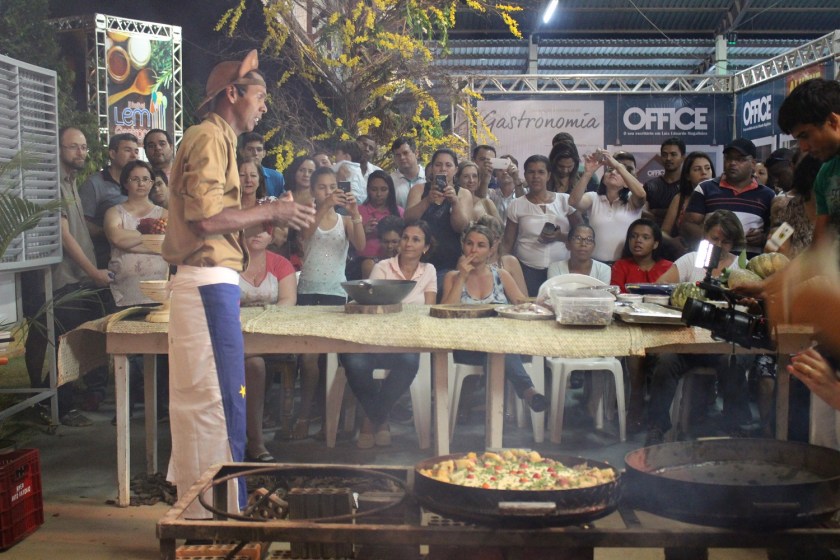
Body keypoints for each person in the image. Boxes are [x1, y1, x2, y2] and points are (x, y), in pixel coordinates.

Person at [162, 49, 315, 518]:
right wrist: (273, 210)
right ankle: (220, 513)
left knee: (209, 401)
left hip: (209, 283)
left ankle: (204, 511)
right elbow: (205, 219)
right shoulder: (210, 137)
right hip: (208, 283)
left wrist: (263, 217)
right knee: (221, 403)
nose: (264, 106)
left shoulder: (217, 138)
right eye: (260, 95)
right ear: (233, 94)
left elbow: (212, 219)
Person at [23, 127, 112, 428]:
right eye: (73, 147)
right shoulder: (51, 183)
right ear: (58, 148)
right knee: (53, 339)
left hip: (75, 278)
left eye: (84, 147)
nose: (81, 153)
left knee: (69, 339)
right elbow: (62, 235)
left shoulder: (72, 182)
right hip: (55, 278)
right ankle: (50, 402)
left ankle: (51, 400)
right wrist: (93, 272)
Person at [647, 210, 752, 444]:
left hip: (724, 341)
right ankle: (657, 425)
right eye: (714, 238)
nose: (719, 245)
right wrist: (679, 300)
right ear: (705, 236)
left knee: (733, 360)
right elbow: (659, 287)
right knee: (665, 361)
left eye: (726, 240)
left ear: (733, 242)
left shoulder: (742, 267)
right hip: (688, 340)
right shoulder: (690, 260)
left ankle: (734, 423)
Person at [341, 220, 437, 448]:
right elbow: (371, 305)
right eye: (405, 237)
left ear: (425, 247)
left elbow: (427, 310)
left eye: (416, 239)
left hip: (406, 341)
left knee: (408, 362)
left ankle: (370, 419)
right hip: (373, 339)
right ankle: (381, 420)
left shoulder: (429, 271)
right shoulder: (383, 267)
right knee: (352, 362)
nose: (408, 243)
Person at [441, 223, 547, 413]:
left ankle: (496, 410)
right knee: (498, 349)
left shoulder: (501, 275)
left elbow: (522, 305)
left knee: (498, 349)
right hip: (465, 345)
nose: (474, 250)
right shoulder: (452, 276)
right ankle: (526, 391)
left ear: (491, 250)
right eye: (469, 244)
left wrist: (542, 303)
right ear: (463, 246)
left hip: (502, 341)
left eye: (481, 245)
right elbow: (445, 313)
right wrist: (462, 277)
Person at [294, 166, 366, 439]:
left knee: (329, 360)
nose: (329, 191)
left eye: (332, 186)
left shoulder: (345, 220)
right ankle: (303, 415)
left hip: (336, 293)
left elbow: (361, 246)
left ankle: (328, 420)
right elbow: (305, 236)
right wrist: (324, 204)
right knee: (308, 358)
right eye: (322, 187)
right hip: (308, 291)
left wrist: (356, 214)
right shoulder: (308, 214)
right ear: (313, 190)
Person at [238, 230, 297, 461]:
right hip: (236, 333)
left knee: (248, 358)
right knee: (253, 365)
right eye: (251, 228)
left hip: (272, 334)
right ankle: (249, 440)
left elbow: (288, 301)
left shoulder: (280, 263)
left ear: (272, 236)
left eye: (264, 230)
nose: (257, 234)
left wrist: (263, 323)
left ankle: (254, 441)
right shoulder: (230, 263)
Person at [681, 138, 775, 257]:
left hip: (750, 268)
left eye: (740, 159)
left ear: (752, 163)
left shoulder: (768, 195)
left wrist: (763, 238)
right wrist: (714, 241)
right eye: (729, 158)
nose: (732, 163)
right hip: (710, 262)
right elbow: (688, 225)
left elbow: (777, 232)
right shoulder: (705, 189)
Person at [501, 154, 579, 296]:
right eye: (531, 172)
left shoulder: (564, 200)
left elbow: (581, 234)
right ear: (525, 175)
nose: (536, 176)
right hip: (527, 270)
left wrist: (560, 236)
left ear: (549, 175)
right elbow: (507, 243)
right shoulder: (517, 204)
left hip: (561, 269)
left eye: (541, 172)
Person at [404, 148, 473, 294]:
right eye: (438, 165)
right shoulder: (419, 189)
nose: (443, 169)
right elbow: (408, 219)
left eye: (448, 165)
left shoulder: (463, 193)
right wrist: (427, 200)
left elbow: (462, 227)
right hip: (419, 261)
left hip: (450, 262)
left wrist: (454, 202)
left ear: (455, 170)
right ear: (432, 168)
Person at [103, 160, 169, 308]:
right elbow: (117, 238)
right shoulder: (114, 212)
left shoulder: (164, 214)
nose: (141, 183)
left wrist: (129, 242)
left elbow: (167, 246)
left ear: (152, 183)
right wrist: (152, 235)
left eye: (146, 179)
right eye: (135, 179)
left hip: (159, 293)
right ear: (125, 183)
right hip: (124, 294)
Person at [570, 149, 647, 264]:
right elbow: (573, 201)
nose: (613, 172)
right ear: (603, 179)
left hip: (624, 264)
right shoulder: (593, 198)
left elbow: (641, 195)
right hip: (595, 263)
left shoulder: (632, 199)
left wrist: (617, 165)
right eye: (610, 170)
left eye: (619, 172)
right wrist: (588, 173)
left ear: (626, 182)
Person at [79, 132, 139, 269]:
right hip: (105, 262)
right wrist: (110, 232)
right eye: (128, 150)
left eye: (136, 151)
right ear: (112, 154)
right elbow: (82, 223)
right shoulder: (94, 184)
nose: (134, 155)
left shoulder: (138, 184)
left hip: (137, 261)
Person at [350, 170, 403, 279]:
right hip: (362, 264)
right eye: (374, 189)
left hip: (394, 263)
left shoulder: (399, 212)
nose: (379, 194)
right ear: (368, 190)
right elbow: (347, 244)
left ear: (390, 190)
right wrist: (362, 231)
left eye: (383, 189)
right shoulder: (357, 211)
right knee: (368, 265)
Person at [661, 152, 716, 250]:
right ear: (687, 176)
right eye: (697, 169)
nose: (704, 172)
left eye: (708, 168)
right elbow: (663, 232)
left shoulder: (719, 196)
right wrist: (672, 242)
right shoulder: (680, 199)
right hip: (685, 253)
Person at [610, 218, 673, 292]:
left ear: (655, 244)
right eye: (633, 236)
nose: (638, 240)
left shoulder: (669, 267)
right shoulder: (620, 266)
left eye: (645, 237)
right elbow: (616, 294)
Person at [546, 223, 612, 284]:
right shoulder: (555, 268)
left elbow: (603, 296)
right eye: (578, 238)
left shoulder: (603, 270)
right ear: (568, 244)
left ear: (594, 246)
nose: (583, 244)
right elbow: (554, 294)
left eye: (589, 240)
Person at [643, 137, 686, 228]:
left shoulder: (688, 186)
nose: (668, 158)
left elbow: (687, 216)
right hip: (653, 237)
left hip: (681, 239)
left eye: (673, 154)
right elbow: (643, 214)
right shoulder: (650, 186)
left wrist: (655, 212)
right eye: (664, 154)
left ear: (683, 157)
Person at [239, 132, 286, 197]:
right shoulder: (233, 175)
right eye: (250, 149)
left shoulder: (276, 178)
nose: (255, 153)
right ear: (242, 152)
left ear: (264, 153)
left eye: (259, 150)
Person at [359, 215, 404, 279]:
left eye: (394, 242)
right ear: (380, 241)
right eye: (386, 242)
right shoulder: (370, 265)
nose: (389, 246)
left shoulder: (408, 263)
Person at [389, 136, 425, 208]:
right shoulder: (390, 181)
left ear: (416, 153)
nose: (402, 157)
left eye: (405, 153)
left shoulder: (428, 176)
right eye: (398, 155)